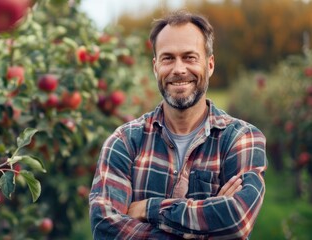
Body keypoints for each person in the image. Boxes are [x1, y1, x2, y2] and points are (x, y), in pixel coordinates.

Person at [89, 10, 267, 240]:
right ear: (155, 67)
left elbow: (237, 219)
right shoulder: (124, 141)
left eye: (190, 57)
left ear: (210, 64)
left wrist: (148, 209)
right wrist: (207, 223)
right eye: (168, 58)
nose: (179, 69)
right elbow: (104, 228)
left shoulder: (241, 138)